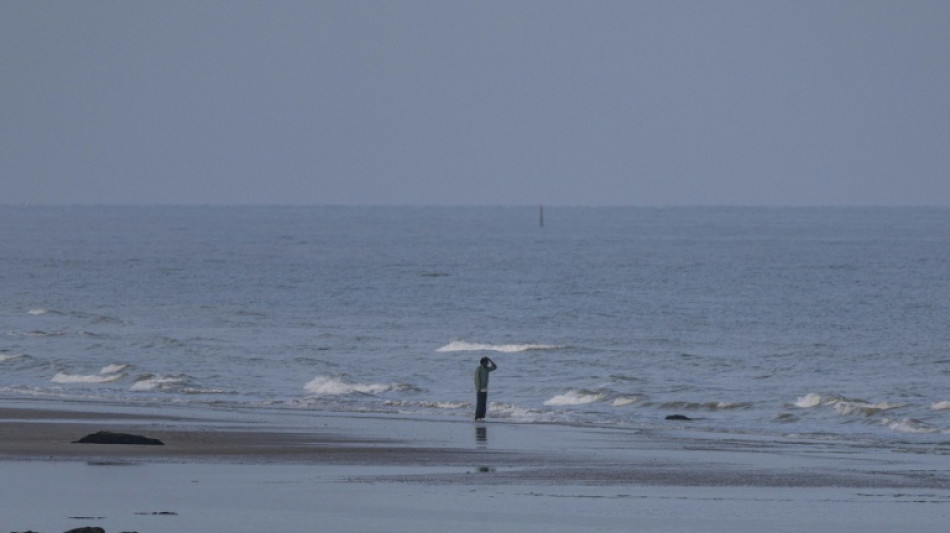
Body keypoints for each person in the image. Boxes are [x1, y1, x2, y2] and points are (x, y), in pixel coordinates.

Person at [474, 356, 497, 420]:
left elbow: (495, 367)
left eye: (487, 362)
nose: (487, 363)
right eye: (486, 362)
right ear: (483, 362)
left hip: (485, 389)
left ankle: (482, 417)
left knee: (483, 404)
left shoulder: (486, 368)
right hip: (480, 389)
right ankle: (477, 417)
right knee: (479, 404)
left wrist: (490, 360)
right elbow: (477, 379)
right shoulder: (478, 369)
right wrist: (478, 388)